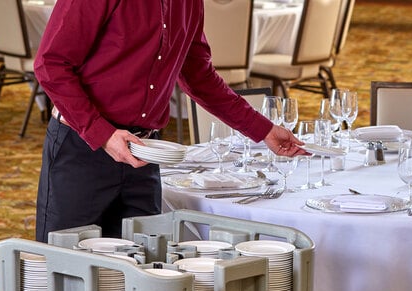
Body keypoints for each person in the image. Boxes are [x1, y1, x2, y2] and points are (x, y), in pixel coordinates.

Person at [33, 0, 306, 243]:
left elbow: (199, 76)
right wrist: (103, 134)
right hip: (81, 151)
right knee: (67, 272)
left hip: (144, 154)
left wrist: (264, 129)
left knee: (145, 271)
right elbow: (50, 64)